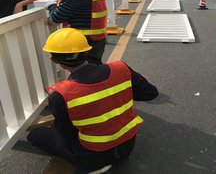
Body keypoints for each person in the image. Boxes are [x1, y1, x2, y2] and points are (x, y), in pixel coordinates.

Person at [27, 28, 159, 174]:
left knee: (35, 136)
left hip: (94, 153)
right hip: (126, 147)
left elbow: (65, 134)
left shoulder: (61, 95)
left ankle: (89, 166)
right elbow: (150, 93)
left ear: (55, 61)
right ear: (87, 52)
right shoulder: (121, 68)